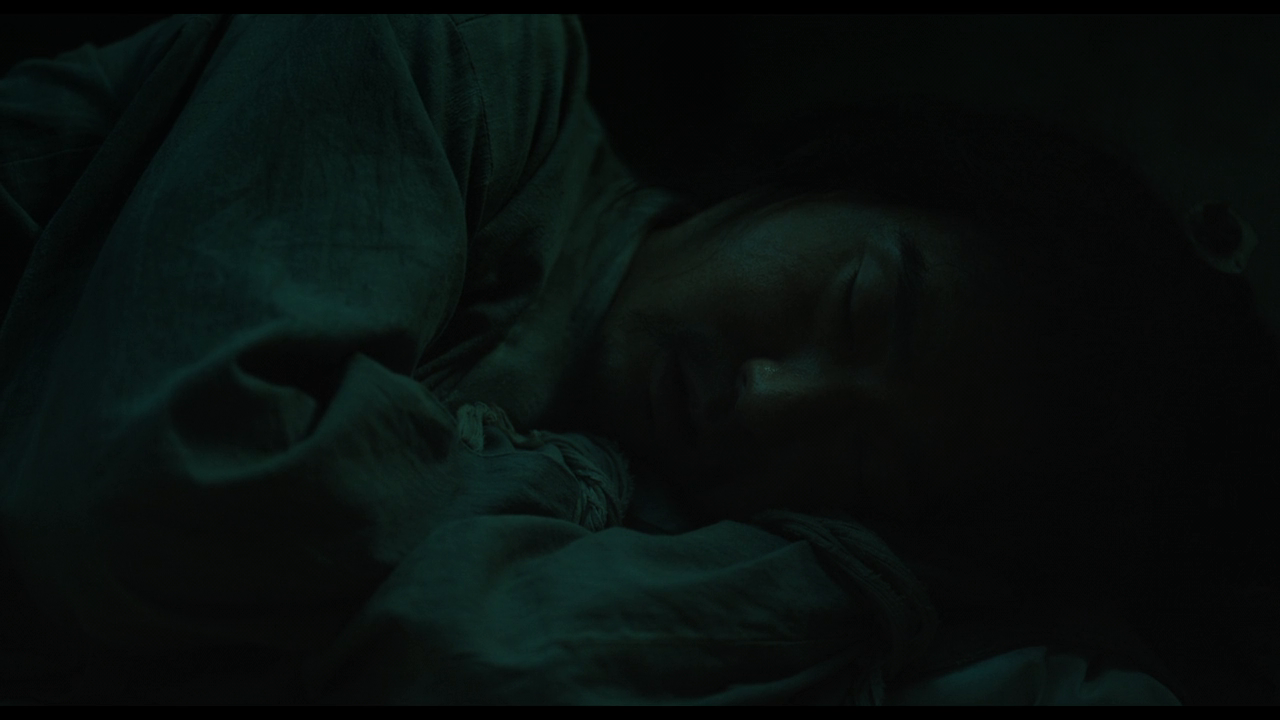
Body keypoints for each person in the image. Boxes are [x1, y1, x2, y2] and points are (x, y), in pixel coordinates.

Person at [0, 14, 1274, 705]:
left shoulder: (662, 538)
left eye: (861, 473)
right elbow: (160, 495)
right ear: (830, 173)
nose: (767, 399)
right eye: (851, 303)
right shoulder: (471, 55)